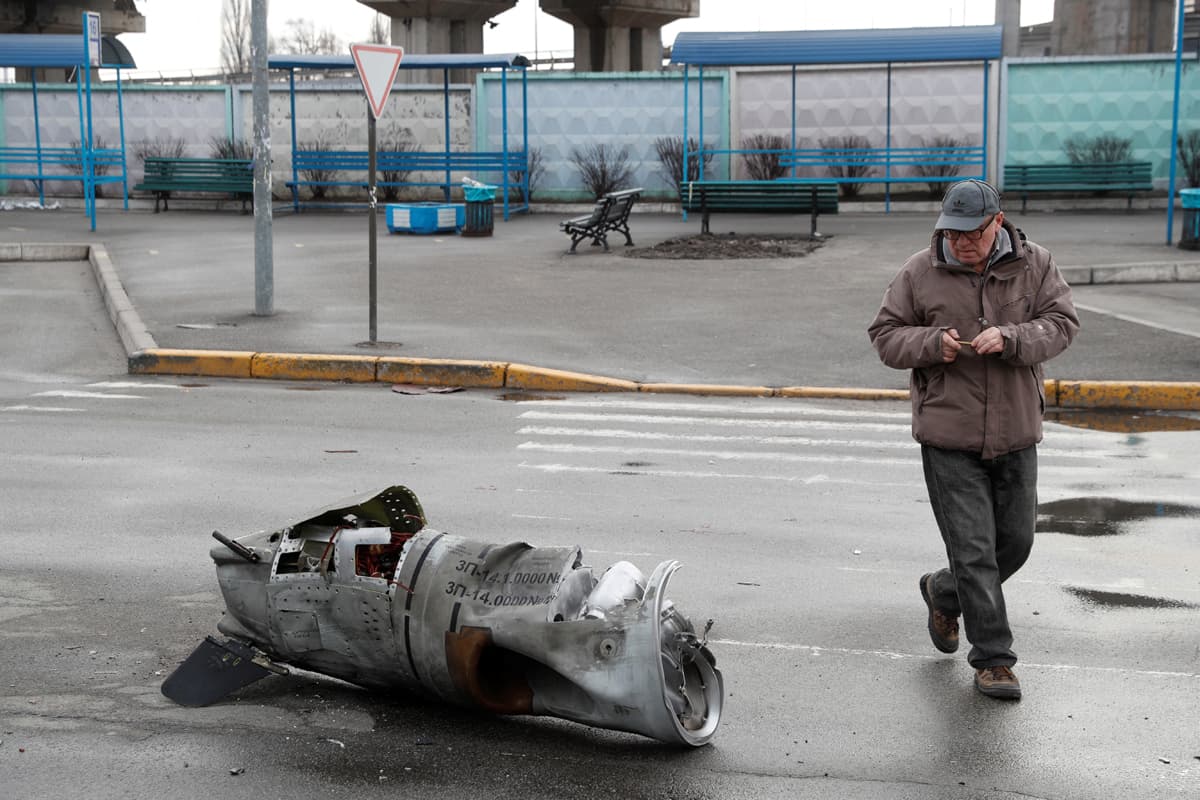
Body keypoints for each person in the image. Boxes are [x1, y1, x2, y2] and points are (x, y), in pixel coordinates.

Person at [866, 179, 1079, 700]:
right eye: (952, 233)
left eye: (972, 234)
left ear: (997, 223)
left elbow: (1062, 323)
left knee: (1016, 544)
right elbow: (885, 336)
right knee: (975, 551)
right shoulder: (919, 271)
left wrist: (1012, 337)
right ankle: (993, 660)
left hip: (1016, 431)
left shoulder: (1036, 264)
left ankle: (943, 590)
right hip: (948, 435)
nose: (960, 243)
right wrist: (930, 343)